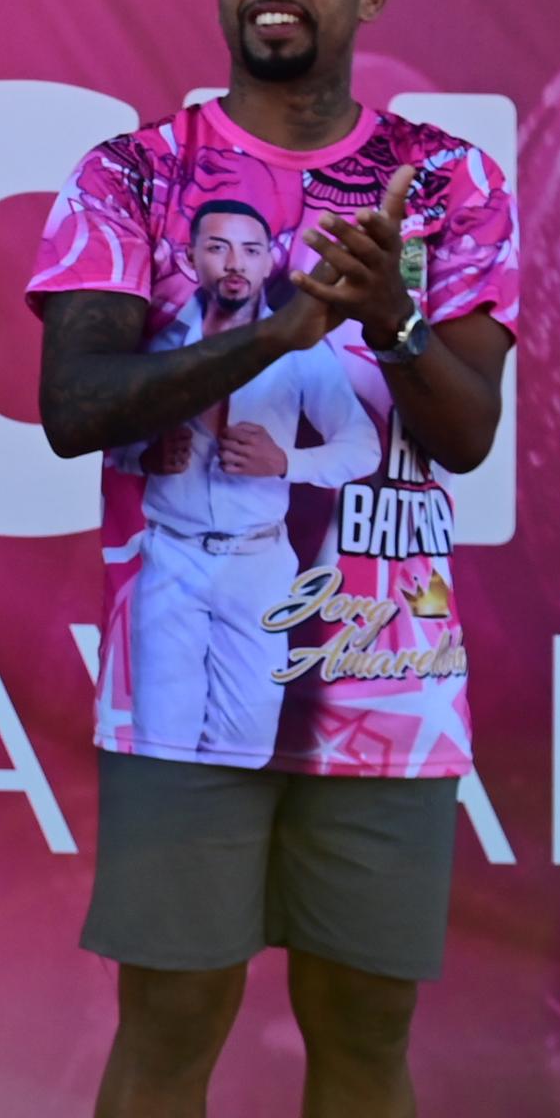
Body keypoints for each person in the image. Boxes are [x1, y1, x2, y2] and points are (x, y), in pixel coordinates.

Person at [25, 0, 527, 1118]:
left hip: (385, 672)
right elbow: (78, 403)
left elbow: (466, 433)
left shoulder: (447, 179)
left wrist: (387, 319)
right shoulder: (136, 172)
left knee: (366, 1023)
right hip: (191, 674)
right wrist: (279, 324)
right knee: (170, 1016)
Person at [123, 201, 376, 766]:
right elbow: (102, 434)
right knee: (159, 748)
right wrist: (144, 454)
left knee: (245, 752)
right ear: (191, 258)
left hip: (258, 563)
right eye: (218, 248)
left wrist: (285, 461)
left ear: (269, 262)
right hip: (171, 556)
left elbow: (363, 447)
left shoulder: (300, 348)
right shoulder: (159, 348)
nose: (235, 263)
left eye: (250, 250)